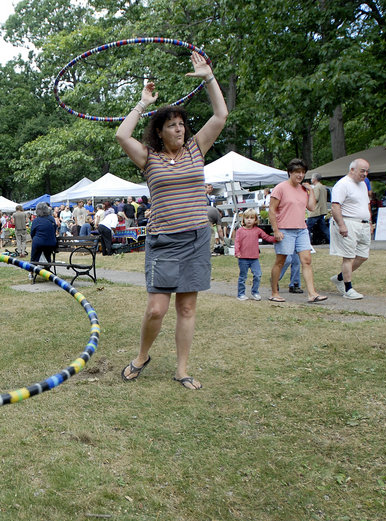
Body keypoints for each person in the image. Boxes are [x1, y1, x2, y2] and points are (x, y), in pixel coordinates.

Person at [115, 50, 228, 390]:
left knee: (188, 308)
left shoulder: (196, 149)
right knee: (155, 309)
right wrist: (142, 102)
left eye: (182, 124)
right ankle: (141, 356)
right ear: (160, 132)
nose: (179, 129)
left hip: (196, 237)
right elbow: (122, 136)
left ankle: (181, 369)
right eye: (172, 125)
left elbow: (221, 115)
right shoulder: (148, 158)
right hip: (164, 240)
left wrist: (208, 77)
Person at [268, 158, 327, 303]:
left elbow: (312, 207)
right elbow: (271, 209)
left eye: (302, 172)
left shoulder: (303, 189)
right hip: (285, 229)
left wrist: (311, 191)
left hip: (301, 229)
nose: (300, 175)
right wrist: (276, 230)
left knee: (306, 261)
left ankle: (312, 293)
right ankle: (274, 292)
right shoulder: (280, 188)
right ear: (290, 173)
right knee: (281, 261)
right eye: (296, 172)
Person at [328, 158, 372, 299]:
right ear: (352, 169)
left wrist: (369, 222)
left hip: (363, 224)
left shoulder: (363, 185)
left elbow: (366, 204)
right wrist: (341, 224)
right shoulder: (342, 184)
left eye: (367, 171)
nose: (365, 174)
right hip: (348, 222)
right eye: (362, 171)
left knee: (363, 256)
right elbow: (335, 206)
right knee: (349, 257)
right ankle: (348, 289)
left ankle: (339, 278)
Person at [234, 208, 275, 300]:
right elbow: (237, 242)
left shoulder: (257, 230)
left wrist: (275, 239)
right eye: (247, 217)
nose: (249, 220)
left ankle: (255, 292)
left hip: (254, 258)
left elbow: (266, 237)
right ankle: (241, 294)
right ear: (243, 219)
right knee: (243, 277)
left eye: (252, 218)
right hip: (243, 258)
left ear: (255, 220)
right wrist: (237, 252)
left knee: (258, 274)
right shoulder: (240, 231)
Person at [29, 201, 57, 279]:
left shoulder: (36, 220)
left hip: (39, 242)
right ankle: (47, 268)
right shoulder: (51, 219)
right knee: (47, 254)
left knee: (34, 257)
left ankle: (31, 272)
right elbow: (54, 230)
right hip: (51, 243)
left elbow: (32, 233)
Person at [307, 173, 330, 244]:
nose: (311, 179)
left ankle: (307, 242)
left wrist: (308, 197)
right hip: (322, 211)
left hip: (316, 211)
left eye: (312, 178)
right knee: (324, 228)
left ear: (315, 179)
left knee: (307, 228)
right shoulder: (323, 187)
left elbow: (315, 198)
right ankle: (331, 240)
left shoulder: (316, 187)